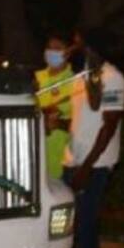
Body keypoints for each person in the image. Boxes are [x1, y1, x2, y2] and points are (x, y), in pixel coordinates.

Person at [63, 31, 124, 248]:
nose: (72, 46)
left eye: (77, 42)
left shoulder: (113, 78)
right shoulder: (83, 77)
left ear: (90, 46)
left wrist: (87, 167)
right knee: (74, 230)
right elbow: (87, 111)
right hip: (74, 161)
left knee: (85, 228)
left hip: (95, 165)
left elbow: (109, 124)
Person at [33, 33, 75, 181]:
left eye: (57, 48)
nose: (51, 52)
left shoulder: (75, 82)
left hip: (60, 160)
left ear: (68, 52)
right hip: (34, 156)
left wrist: (56, 122)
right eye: (49, 48)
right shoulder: (36, 78)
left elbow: (78, 122)